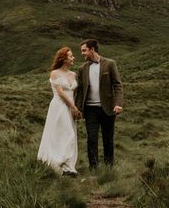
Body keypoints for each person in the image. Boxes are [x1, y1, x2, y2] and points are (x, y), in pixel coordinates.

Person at [75, 39, 123, 170]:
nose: (82, 53)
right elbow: (79, 91)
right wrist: (77, 109)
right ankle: (93, 168)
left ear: (92, 49)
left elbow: (117, 85)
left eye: (84, 50)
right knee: (91, 139)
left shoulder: (110, 64)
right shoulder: (81, 69)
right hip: (90, 110)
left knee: (108, 140)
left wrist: (118, 103)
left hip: (108, 108)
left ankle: (109, 168)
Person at [38, 46, 82, 176]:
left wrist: (76, 107)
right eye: (71, 56)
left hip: (71, 107)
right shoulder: (55, 73)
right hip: (59, 106)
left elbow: (73, 92)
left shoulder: (73, 74)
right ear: (63, 59)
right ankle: (58, 162)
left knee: (68, 133)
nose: (73, 58)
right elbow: (61, 93)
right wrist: (73, 107)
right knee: (67, 134)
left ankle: (68, 166)